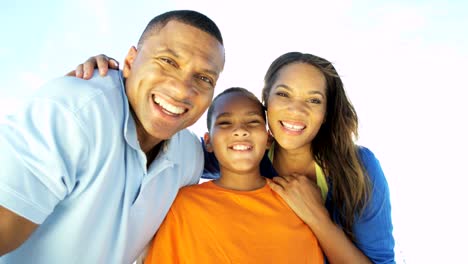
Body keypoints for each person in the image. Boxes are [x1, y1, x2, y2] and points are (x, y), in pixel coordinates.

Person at [73, 52, 395, 263]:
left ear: (326, 112)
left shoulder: (358, 169)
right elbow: (153, 140)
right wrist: (117, 84)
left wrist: (318, 219)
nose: (296, 110)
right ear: (266, 99)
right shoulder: (239, 157)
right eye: (283, 94)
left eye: (313, 99)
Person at [0, 10, 225, 263]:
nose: (182, 89)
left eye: (204, 78)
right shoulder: (75, 111)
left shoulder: (190, 155)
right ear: (130, 62)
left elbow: (237, 162)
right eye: (168, 61)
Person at [144, 87, 324, 263]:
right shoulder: (183, 205)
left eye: (253, 122)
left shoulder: (296, 199)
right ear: (208, 142)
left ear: (268, 138)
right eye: (225, 123)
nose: (240, 130)